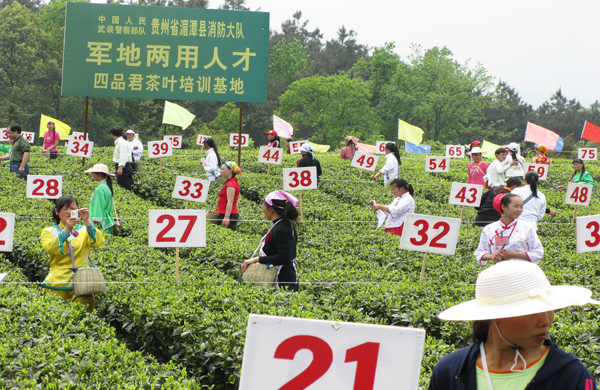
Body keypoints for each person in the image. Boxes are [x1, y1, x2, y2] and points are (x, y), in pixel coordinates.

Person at [429, 261, 598, 390]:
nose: (546, 321)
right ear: (495, 316)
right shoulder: (450, 372)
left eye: (550, 309)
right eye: (533, 312)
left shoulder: (572, 376)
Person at [40, 196, 105, 312]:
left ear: (78, 211)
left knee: (84, 318)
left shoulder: (84, 229)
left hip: (82, 283)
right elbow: (51, 248)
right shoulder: (48, 231)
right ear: (57, 211)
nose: (69, 212)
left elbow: (97, 241)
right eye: (65, 209)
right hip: (57, 283)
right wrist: (67, 230)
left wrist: (87, 221)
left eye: (73, 208)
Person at [241, 191, 300, 291]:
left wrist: (257, 259)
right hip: (281, 277)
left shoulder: (282, 229)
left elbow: (284, 257)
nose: (263, 209)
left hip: (283, 281)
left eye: (264, 206)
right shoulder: (282, 224)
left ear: (271, 209)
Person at [474, 193, 544, 266]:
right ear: (504, 207)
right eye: (516, 206)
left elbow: (538, 253)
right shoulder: (489, 229)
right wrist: (492, 256)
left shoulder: (527, 228)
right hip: (500, 271)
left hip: (523, 271)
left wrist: (512, 254)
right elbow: (480, 253)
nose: (519, 210)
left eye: (521, 207)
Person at [85, 164, 115, 235]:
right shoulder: (106, 187)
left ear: (99, 174)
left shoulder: (100, 190)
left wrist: (94, 224)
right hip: (107, 221)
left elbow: (99, 207)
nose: (92, 175)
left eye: (93, 173)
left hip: (101, 225)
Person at [216, 162, 242, 231]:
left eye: (223, 169)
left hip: (229, 215)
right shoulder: (229, 182)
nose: (221, 171)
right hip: (224, 213)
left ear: (230, 170)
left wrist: (226, 217)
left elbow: (230, 201)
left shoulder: (231, 184)